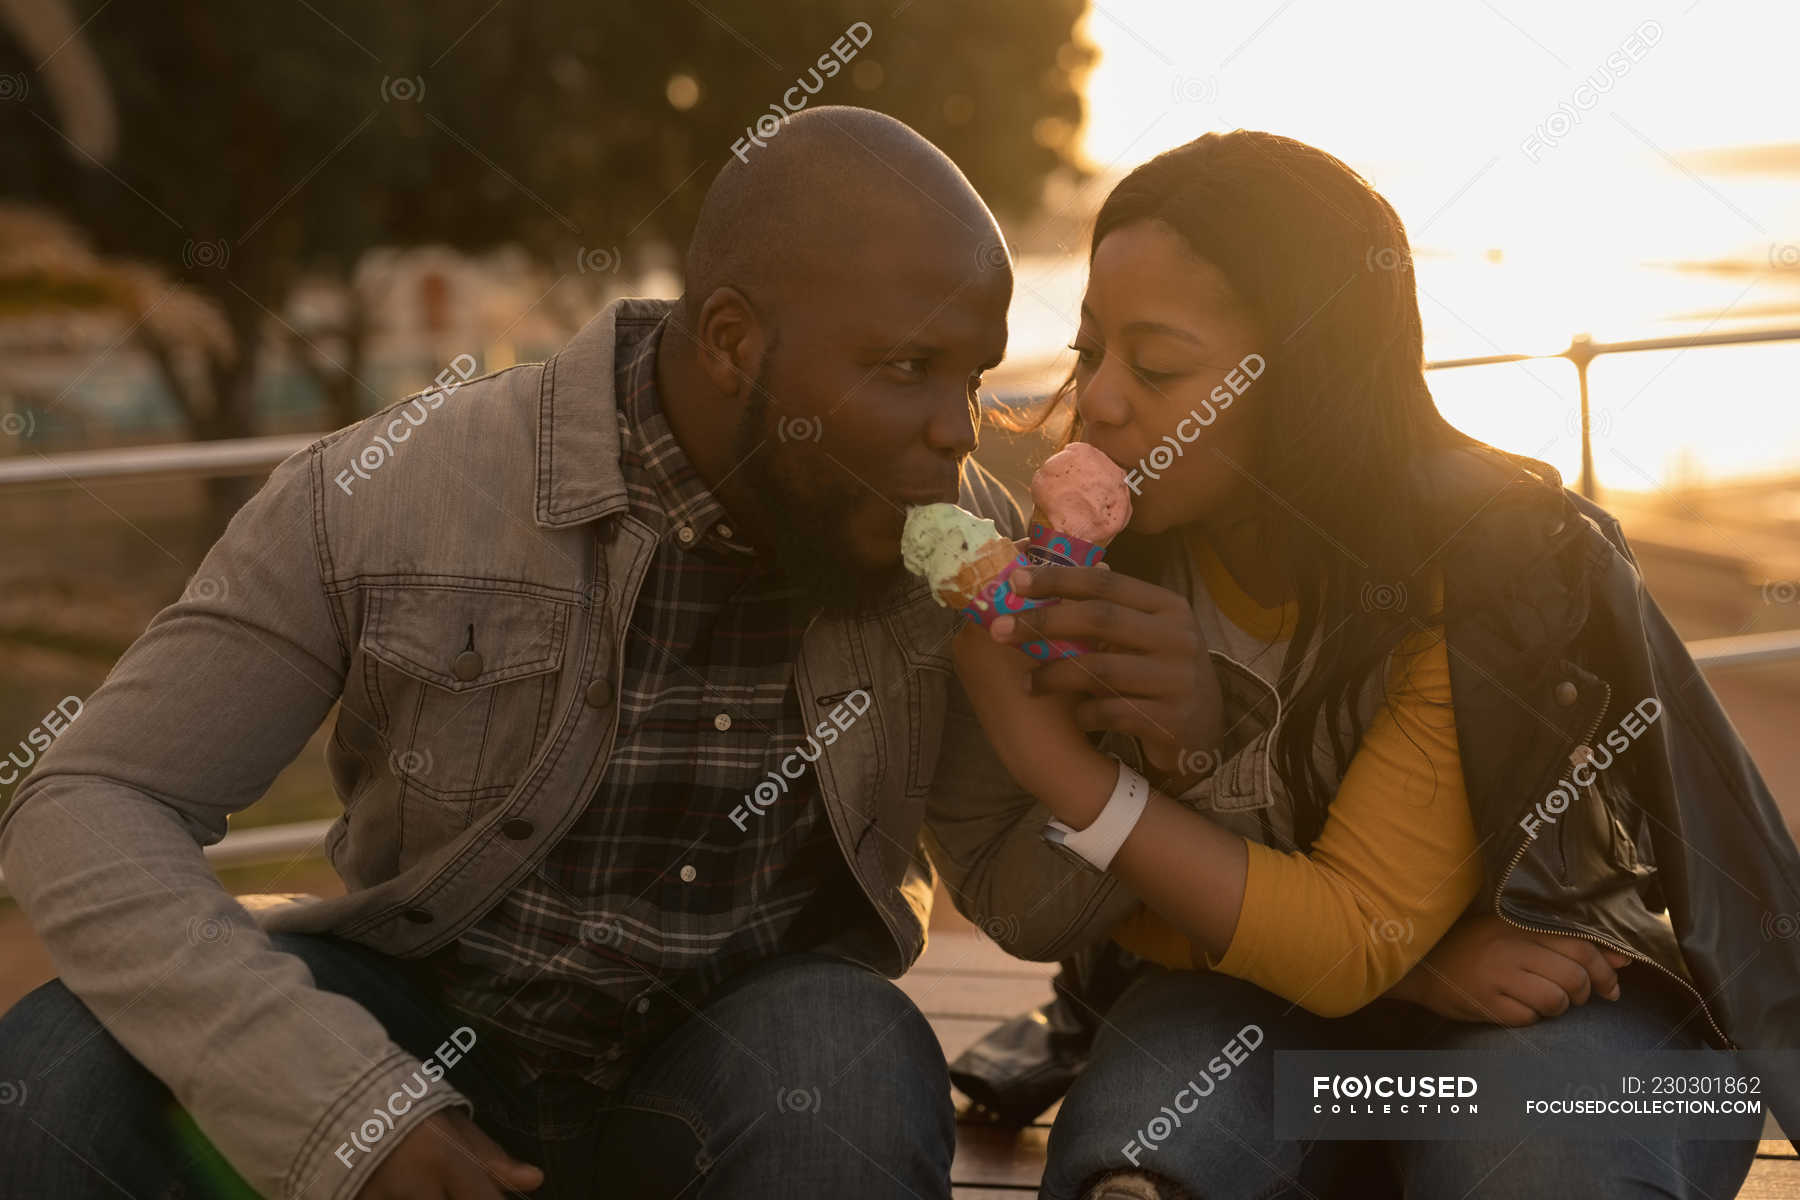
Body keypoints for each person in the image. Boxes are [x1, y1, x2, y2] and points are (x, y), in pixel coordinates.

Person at [0, 106, 1019, 1200]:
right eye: (909, 365)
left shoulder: (957, 542)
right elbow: (91, 797)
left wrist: (1102, 739)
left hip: (740, 1071)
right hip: (419, 1022)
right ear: (732, 340)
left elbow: (1028, 888)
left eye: (973, 374)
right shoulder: (390, 491)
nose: (959, 428)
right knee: (57, 1069)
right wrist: (347, 1111)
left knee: (849, 1054)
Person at [932, 129, 1799, 1200]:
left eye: (1157, 366)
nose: (1102, 400)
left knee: (1537, 1156)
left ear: (1309, 381)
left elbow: (1347, 941)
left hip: (1574, 1015)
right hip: (1288, 1018)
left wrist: (1072, 775)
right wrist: (1416, 964)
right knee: (1151, 1158)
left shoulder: (1484, 566)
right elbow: (1068, 911)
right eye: (1090, 347)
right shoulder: (1109, 559)